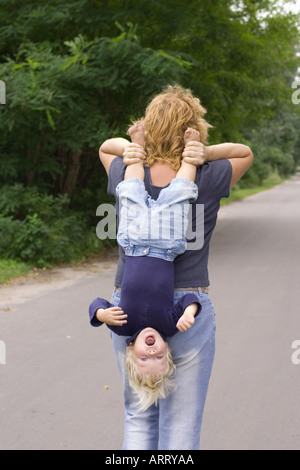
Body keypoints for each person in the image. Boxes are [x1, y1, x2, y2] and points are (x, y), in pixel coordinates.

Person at [98, 84, 253, 450]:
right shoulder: (209, 174)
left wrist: (131, 147)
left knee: (138, 412)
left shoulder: (126, 169)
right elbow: (245, 153)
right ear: (194, 129)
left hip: (129, 305)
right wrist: (200, 153)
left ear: (147, 127)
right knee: (181, 420)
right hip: (190, 306)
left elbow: (106, 146)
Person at [89, 125, 202, 411]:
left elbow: (96, 305)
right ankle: (190, 153)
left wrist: (102, 313)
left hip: (135, 240)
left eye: (144, 358)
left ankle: (137, 145)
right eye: (158, 358)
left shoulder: (122, 325)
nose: (151, 352)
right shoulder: (168, 326)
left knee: (130, 191)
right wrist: (189, 312)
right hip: (166, 245)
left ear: (131, 350)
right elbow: (190, 298)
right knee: (181, 192)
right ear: (167, 352)